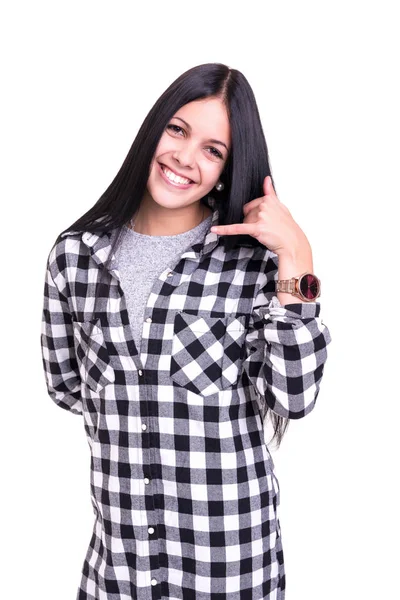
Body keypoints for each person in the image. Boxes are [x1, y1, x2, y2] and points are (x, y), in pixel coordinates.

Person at [40, 62, 332, 600]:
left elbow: (293, 398)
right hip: (117, 572)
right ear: (154, 129)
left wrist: (298, 255)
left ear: (227, 167)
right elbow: (66, 387)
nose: (185, 157)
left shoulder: (255, 264)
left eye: (213, 149)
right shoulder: (74, 258)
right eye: (177, 130)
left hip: (230, 570)